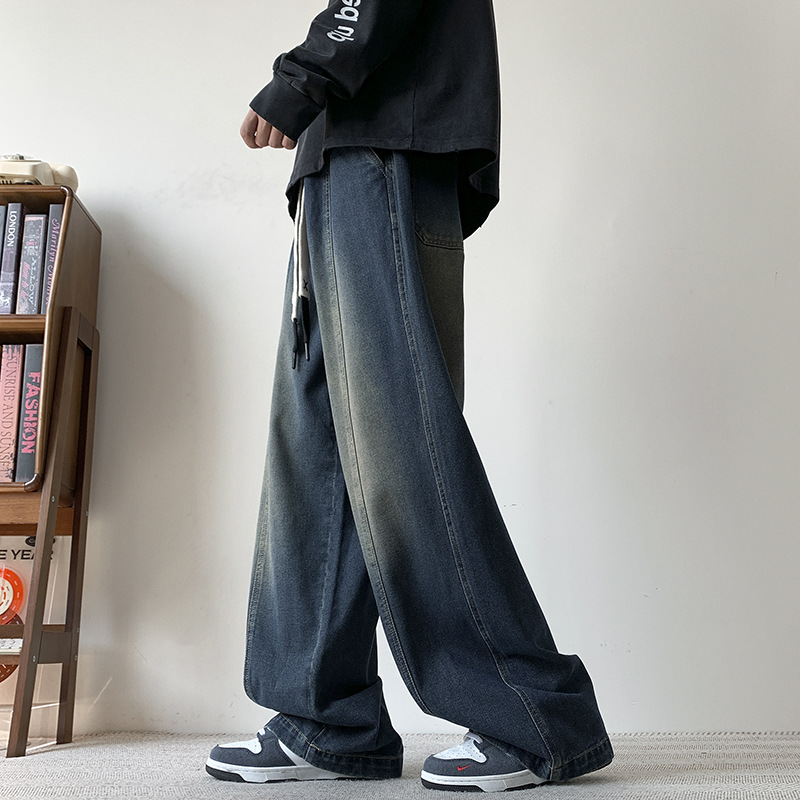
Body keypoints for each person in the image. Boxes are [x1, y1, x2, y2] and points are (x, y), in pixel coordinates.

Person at [206, 0, 614, 791]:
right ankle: (326, 718)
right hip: (345, 157)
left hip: (384, 146)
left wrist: (305, 75)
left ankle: (532, 715)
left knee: (400, 443)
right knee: (319, 452)